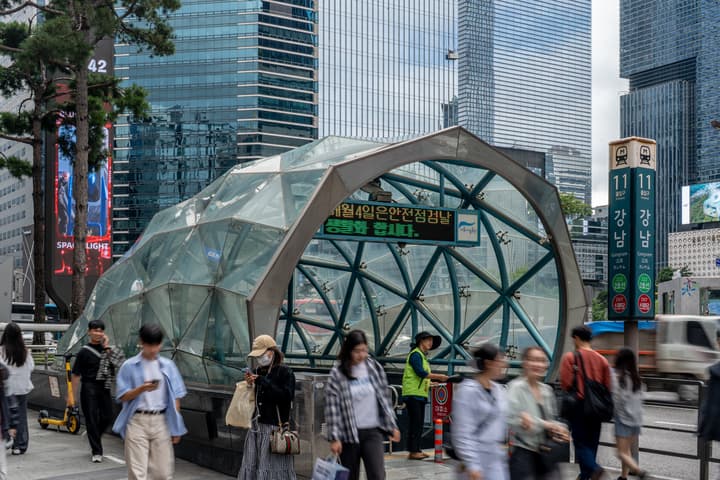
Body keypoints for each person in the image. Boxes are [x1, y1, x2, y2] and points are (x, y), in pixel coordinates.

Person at [113, 324, 187, 480]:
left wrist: (176, 427)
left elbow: (176, 398)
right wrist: (141, 389)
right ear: (141, 342)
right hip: (137, 421)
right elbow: (121, 396)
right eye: (149, 345)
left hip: (161, 421)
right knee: (137, 473)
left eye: (156, 345)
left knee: (163, 473)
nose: (153, 349)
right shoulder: (129, 366)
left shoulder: (168, 366)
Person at [325, 330, 400, 480]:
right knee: (350, 476)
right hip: (348, 433)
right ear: (348, 350)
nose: (361, 355)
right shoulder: (338, 373)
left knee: (377, 474)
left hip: (373, 431)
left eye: (364, 350)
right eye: (357, 351)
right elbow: (332, 407)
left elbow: (384, 398)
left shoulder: (374, 367)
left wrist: (392, 425)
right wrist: (335, 437)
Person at [237, 335, 296, 480]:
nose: (259, 359)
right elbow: (255, 399)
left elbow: (286, 397)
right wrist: (250, 384)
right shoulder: (258, 370)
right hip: (256, 425)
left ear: (272, 352)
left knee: (270, 467)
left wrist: (264, 382)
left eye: (262, 354)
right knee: (252, 463)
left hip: (274, 428)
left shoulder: (285, 372)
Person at [507, 346, 569, 480]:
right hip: (524, 455)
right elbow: (512, 419)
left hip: (546, 454)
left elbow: (550, 421)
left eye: (542, 360)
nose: (538, 364)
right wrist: (545, 424)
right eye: (533, 360)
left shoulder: (547, 390)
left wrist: (560, 429)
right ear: (525, 363)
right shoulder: (515, 388)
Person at [560, 325, 612, 480]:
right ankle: (585, 476)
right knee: (592, 445)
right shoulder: (602, 360)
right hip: (597, 409)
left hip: (579, 407)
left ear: (576, 338)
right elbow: (608, 386)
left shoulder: (571, 358)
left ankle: (596, 469)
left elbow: (566, 384)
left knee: (581, 444)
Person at [451, 343, 509, 480]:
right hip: (475, 458)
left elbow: (507, 417)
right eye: (500, 361)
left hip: (495, 457)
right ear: (489, 363)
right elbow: (463, 431)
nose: (504, 365)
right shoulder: (467, 391)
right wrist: (472, 465)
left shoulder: (498, 390)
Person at [69, 319, 117, 462]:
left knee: (108, 416)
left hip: (104, 387)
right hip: (89, 387)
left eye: (101, 330)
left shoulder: (107, 350)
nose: (98, 333)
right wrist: (71, 395)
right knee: (91, 418)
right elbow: (76, 374)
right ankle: (97, 451)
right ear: (89, 332)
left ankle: (94, 435)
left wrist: (107, 346)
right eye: (95, 330)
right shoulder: (83, 352)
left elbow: (112, 368)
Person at [401, 331, 448, 460]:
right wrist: (439, 377)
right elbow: (421, 373)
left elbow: (421, 378)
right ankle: (414, 451)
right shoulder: (416, 355)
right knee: (416, 423)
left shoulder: (422, 356)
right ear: (421, 341)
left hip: (419, 394)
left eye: (431, 341)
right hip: (412, 394)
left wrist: (431, 384)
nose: (430, 343)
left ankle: (416, 450)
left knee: (418, 423)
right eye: (428, 340)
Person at [612, 348, 647, 480]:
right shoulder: (637, 378)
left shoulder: (620, 379)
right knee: (626, 451)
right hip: (636, 421)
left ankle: (639, 471)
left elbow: (616, 400)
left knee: (621, 452)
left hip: (623, 419)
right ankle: (623, 476)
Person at [0, 323, 34, 455]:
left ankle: (7, 440)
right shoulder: (25, 351)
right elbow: (31, 367)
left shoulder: (1, 351)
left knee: (5, 416)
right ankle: (20, 445)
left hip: (7, 390)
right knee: (21, 416)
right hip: (22, 388)